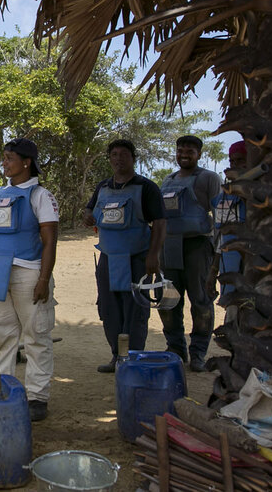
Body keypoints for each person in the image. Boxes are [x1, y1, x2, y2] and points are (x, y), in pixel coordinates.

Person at [0, 138, 59, 422]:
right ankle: (4, 389)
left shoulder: (40, 196)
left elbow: (50, 240)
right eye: (3, 158)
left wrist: (43, 278)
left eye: (9, 158)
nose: (4, 163)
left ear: (27, 162)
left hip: (29, 272)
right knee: (3, 336)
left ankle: (36, 397)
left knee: (36, 336)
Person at [83, 139, 166, 373]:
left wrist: (153, 255)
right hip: (109, 258)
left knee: (135, 311)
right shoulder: (103, 187)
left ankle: (133, 359)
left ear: (133, 158)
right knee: (110, 310)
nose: (118, 159)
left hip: (137, 258)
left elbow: (159, 223)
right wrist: (87, 215)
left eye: (124, 154)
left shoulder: (146, 187)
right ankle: (116, 357)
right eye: (114, 155)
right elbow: (90, 208)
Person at [159, 135, 222, 372]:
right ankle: (175, 348)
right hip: (170, 247)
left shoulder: (208, 178)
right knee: (169, 301)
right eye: (180, 150)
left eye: (190, 151)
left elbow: (220, 215)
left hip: (198, 247)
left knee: (201, 301)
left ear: (199, 154)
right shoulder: (168, 180)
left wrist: (216, 252)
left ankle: (198, 353)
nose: (184, 154)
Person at [210, 140, 248, 325]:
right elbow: (221, 239)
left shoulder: (266, 198)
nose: (235, 166)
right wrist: (213, 272)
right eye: (232, 161)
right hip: (231, 277)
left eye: (241, 160)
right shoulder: (223, 198)